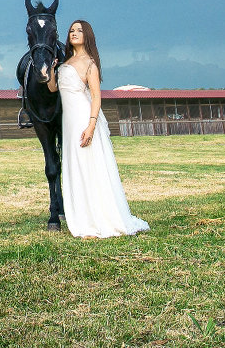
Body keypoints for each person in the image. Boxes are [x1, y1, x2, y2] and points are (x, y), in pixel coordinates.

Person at [47, 19, 149, 238]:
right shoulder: (65, 62)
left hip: (84, 119)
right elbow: (54, 88)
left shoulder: (90, 63)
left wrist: (91, 125)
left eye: (79, 30)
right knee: (76, 169)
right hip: (69, 123)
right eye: (72, 30)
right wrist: (51, 71)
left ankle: (99, 219)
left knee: (91, 167)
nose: (74, 33)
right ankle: (83, 218)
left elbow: (95, 97)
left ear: (87, 35)